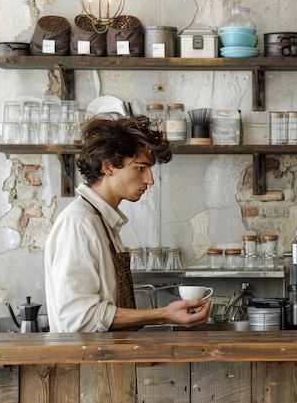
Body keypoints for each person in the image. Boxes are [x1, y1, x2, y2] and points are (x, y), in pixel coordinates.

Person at [44, 115, 211, 332]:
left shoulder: (101, 220)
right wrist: (163, 315)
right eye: (141, 168)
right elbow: (77, 318)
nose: (150, 180)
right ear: (109, 167)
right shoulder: (79, 223)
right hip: (87, 364)